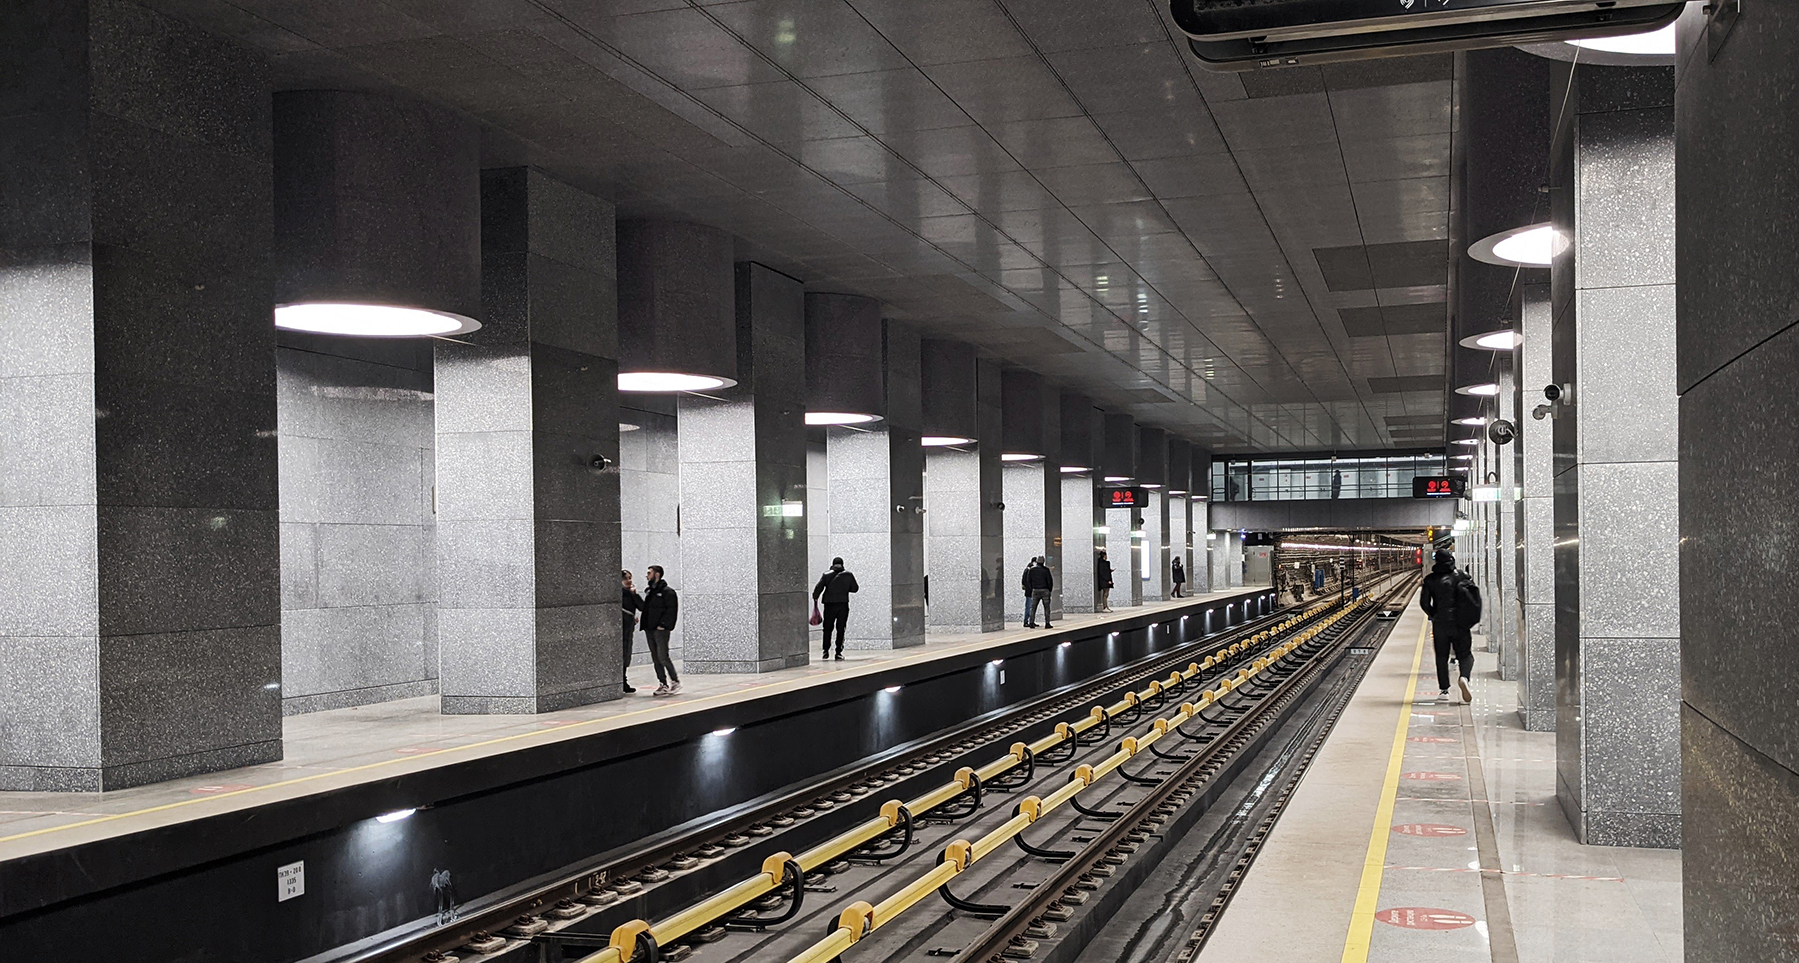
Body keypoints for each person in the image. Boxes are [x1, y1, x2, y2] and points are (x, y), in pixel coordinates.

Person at [1420, 550, 1475, 703]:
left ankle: (1444, 691)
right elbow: (1473, 598)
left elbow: (1424, 603)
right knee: (1465, 655)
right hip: (1460, 623)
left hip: (1441, 624)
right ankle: (1464, 677)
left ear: (1436, 561)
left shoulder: (1430, 580)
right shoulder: (1463, 576)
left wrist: (1434, 614)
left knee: (1441, 657)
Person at [640, 564, 681, 696]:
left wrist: (664, 625)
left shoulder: (667, 592)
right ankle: (662, 683)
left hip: (660, 629)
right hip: (649, 628)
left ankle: (675, 681)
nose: (647, 575)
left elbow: (671, 610)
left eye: (649, 573)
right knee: (656, 657)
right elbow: (645, 608)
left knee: (663, 656)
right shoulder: (650, 591)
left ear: (657, 574)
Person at [812, 556, 859, 661]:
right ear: (842, 564)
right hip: (843, 605)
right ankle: (838, 652)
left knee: (827, 628)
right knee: (841, 628)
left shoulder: (826, 575)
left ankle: (825, 651)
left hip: (829, 605)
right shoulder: (848, 575)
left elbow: (818, 588)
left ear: (833, 564)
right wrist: (844, 589)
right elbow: (855, 588)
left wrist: (815, 597)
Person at [620, 569, 642, 694]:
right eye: (626, 578)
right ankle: (622, 681)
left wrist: (635, 594)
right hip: (621, 629)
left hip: (628, 629)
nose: (629, 581)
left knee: (626, 654)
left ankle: (624, 680)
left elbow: (642, 606)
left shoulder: (630, 593)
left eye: (630, 578)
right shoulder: (619, 594)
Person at [1024, 557, 1054, 628]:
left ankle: (1031, 622)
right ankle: (1047, 623)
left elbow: (1029, 580)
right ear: (1043, 562)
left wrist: (1032, 588)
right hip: (1045, 590)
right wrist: (1049, 589)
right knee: (1046, 608)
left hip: (1035, 590)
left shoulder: (1032, 570)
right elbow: (1049, 581)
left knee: (1033, 607)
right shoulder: (1046, 570)